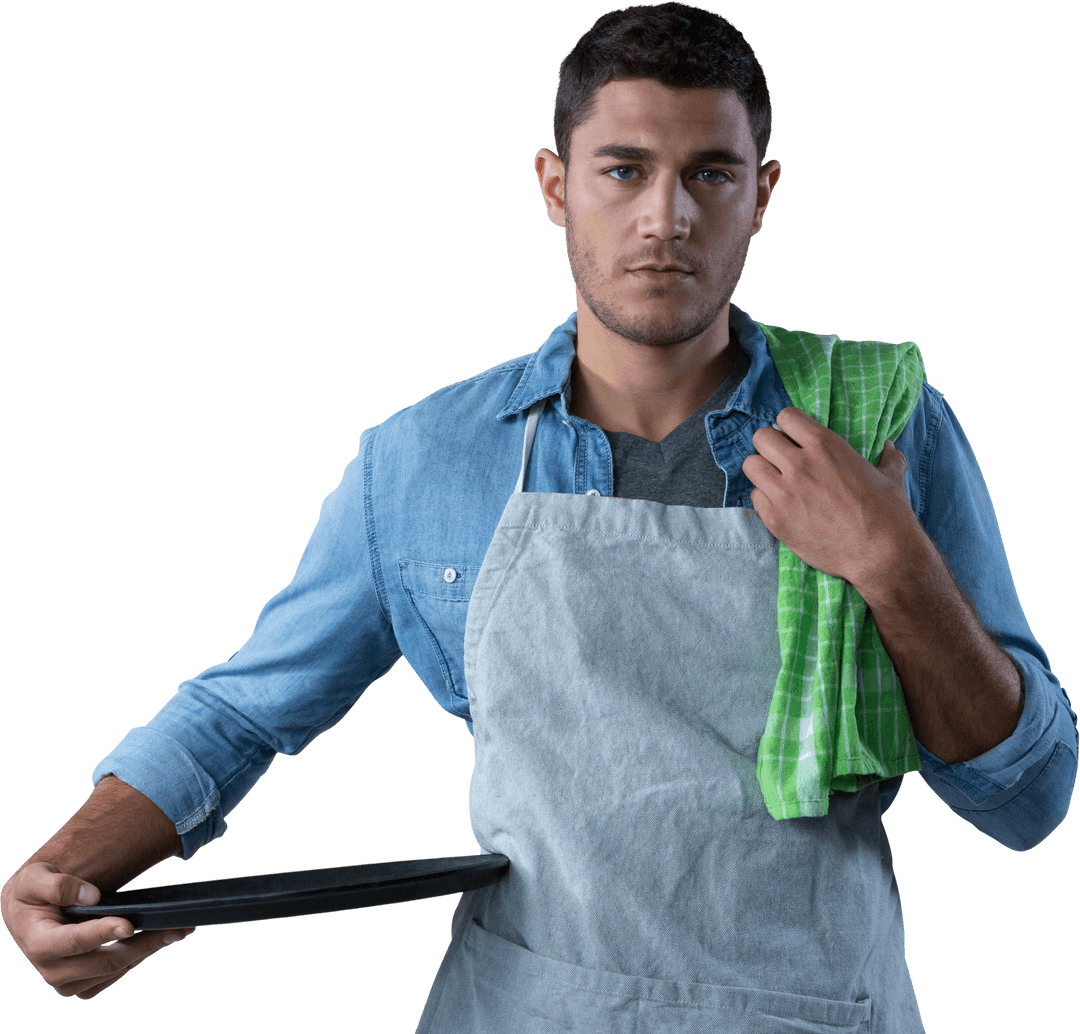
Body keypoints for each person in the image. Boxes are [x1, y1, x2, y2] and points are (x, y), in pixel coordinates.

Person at [3, 3, 1075, 1030]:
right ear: (555, 186)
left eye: (711, 172)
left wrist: (893, 566)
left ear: (763, 193)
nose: (668, 216)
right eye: (625, 170)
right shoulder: (424, 459)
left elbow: (1029, 797)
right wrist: (70, 867)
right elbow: (242, 713)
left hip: (809, 1009)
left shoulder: (880, 423)